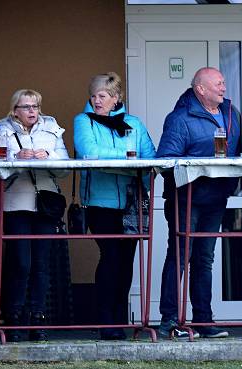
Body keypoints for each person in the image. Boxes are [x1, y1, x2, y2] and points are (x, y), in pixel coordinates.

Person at [156, 67, 240, 339]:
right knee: (180, 258)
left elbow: (235, 154)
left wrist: (229, 184)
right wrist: (197, 171)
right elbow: (166, 160)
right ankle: (169, 320)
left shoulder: (231, 113)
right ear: (200, 89)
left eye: (224, 83)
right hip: (186, 200)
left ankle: (204, 320)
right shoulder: (180, 118)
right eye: (217, 83)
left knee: (205, 260)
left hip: (216, 199)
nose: (224, 88)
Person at [73, 72, 156, 340]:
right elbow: (90, 153)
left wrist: (126, 166)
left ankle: (120, 319)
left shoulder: (134, 123)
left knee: (126, 260)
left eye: (103, 96)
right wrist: (128, 162)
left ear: (116, 98)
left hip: (132, 203)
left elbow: (150, 159)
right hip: (100, 201)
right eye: (94, 95)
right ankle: (106, 319)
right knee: (110, 256)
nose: (97, 101)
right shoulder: (83, 121)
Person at [0, 89, 70, 342]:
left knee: (42, 265)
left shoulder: (52, 128)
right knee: (20, 263)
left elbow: (65, 166)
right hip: (16, 205)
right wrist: (15, 158)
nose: (32, 111)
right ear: (15, 110)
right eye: (26, 107)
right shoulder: (3, 130)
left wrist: (49, 156)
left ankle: (38, 318)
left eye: (35, 106)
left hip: (45, 205)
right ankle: (14, 319)